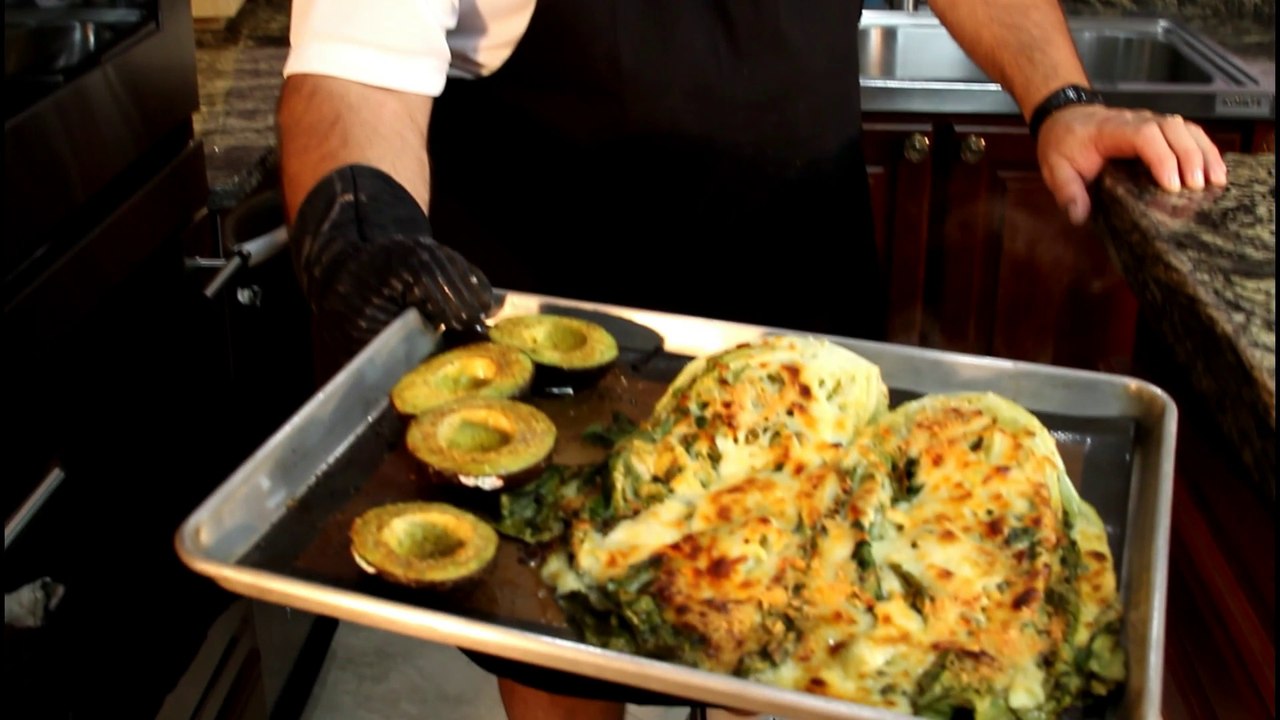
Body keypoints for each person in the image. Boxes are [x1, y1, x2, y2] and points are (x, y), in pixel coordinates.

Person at [275, 0, 1226, 718]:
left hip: (800, 308)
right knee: (559, 656)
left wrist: (1060, 98)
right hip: (564, 341)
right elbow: (353, 74)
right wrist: (363, 227)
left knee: (799, 655)